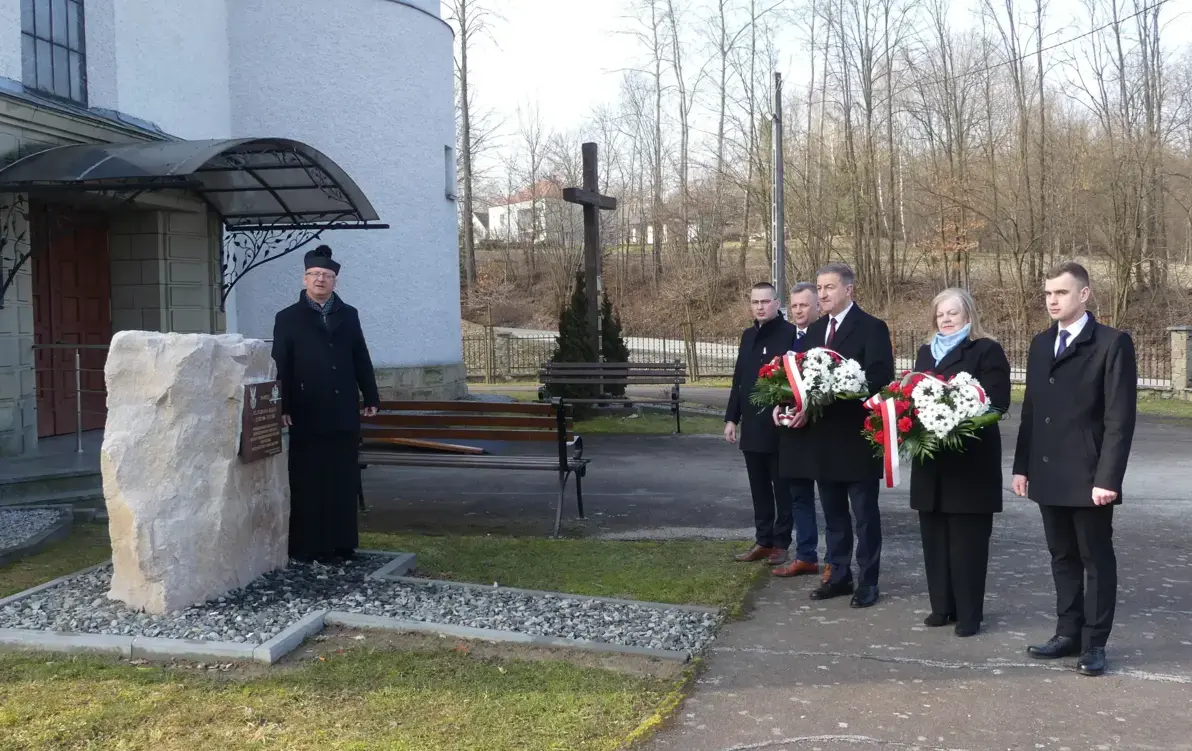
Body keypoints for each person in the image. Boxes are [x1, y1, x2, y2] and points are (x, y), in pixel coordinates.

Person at [1013, 262, 1137, 677]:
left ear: (1083, 295)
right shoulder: (1040, 344)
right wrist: (1021, 466)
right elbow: (1032, 410)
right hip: (1047, 470)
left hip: (1088, 475)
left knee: (1095, 559)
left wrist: (1108, 479)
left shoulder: (1111, 343)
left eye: (1061, 293)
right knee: (1061, 555)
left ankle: (1094, 643)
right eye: (1048, 293)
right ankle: (1067, 632)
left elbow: (1120, 419)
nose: (1052, 300)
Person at [778, 262, 894, 607]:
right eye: (820, 288)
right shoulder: (814, 332)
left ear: (848, 290)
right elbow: (797, 379)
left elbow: (880, 378)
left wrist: (840, 389)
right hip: (823, 440)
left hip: (857, 438)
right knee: (833, 515)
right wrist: (786, 404)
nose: (823, 294)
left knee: (864, 516)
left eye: (829, 287)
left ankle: (868, 581)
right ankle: (839, 575)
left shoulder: (871, 328)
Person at [910, 288, 1011, 637]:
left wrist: (957, 414)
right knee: (934, 538)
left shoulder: (986, 350)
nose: (946, 319)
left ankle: (970, 614)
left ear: (968, 315)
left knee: (967, 543)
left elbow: (997, 402)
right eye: (941, 314)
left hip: (970, 463)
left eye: (953, 313)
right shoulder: (926, 352)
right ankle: (942, 607)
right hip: (931, 463)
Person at [272, 244, 381, 564]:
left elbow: (360, 355)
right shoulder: (287, 318)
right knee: (308, 479)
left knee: (343, 478)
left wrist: (370, 395)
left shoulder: (349, 315)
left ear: (335, 282)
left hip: (343, 411)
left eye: (327, 276)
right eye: (315, 274)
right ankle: (308, 545)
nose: (320, 280)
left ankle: (342, 543)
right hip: (306, 411)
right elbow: (281, 364)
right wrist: (284, 406)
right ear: (305, 279)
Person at [725, 282, 802, 567]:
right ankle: (763, 539)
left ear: (776, 303)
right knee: (758, 488)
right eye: (755, 302)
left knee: (782, 488)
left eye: (765, 302)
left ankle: (781, 543)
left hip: (778, 425)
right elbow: (739, 379)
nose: (760, 307)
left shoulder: (790, 334)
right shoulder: (748, 336)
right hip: (751, 426)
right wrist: (731, 418)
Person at [772, 282, 827, 579]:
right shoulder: (787, 337)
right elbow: (779, 380)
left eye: (804, 305)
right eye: (794, 306)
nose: (798, 311)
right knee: (799, 496)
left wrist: (809, 409)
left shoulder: (824, 338)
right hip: (791, 430)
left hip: (820, 431)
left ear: (818, 306)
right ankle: (806, 555)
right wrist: (777, 404)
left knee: (831, 498)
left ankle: (834, 559)